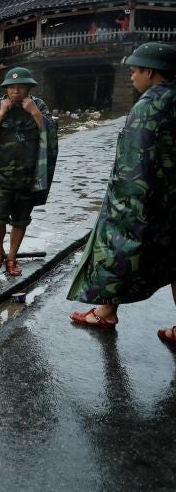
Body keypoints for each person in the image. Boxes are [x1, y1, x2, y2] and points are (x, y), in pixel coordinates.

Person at [67, 42, 176, 343]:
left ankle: (105, 312)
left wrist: (120, 207)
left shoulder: (148, 107)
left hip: (148, 198)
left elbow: (134, 164)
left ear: (150, 72)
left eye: (134, 71)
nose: (131, 77)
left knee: (116, 249)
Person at [0, 67, 57, 276]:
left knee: (21, 219)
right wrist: (3, 112)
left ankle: (12, 257)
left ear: (29, 88)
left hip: (28, 175)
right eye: (12, 87)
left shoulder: (38, 105)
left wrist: (35, 113)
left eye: (21, 87)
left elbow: (50, 133)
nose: (16, 91)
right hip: (0, 175)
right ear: (6, 88)